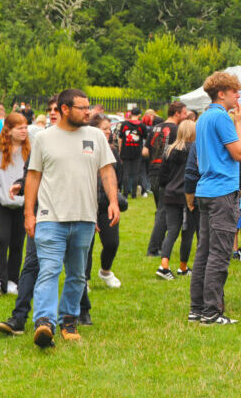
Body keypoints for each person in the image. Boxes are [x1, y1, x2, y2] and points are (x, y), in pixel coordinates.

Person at [24, 89, 119, 348]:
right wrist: (29, 213)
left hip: (85, 218)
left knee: (77, 275)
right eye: (82, 108)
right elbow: (33, 176)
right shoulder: (44, 138)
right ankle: (44, 323)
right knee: (49, 270)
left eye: (89, 107)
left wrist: (112, 200)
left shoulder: (96, 136)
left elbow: (107, 171)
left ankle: (68, 320)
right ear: (65, 109)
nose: (88, 112)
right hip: (50, 217)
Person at [0, 97, 62, 336]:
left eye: (57, 109)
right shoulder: (41, 141)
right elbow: (31, 173)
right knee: (32, 264)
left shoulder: (78, 139)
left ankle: (77, 314)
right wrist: (21, 185)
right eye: (50, 109)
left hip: (71, 214)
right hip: (44, 213)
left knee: (76, 269)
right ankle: (19, 317)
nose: (52, 113)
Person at [189, 72, 241, 325]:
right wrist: (238, 124)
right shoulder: (222, 117)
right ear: (221, 93)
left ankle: (197, 308)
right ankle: (212, 312)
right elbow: (239, 153)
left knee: (204, 252)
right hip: (222, 190)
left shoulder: (203, 117)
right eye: (235, 91)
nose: (238, 96)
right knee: (219, 253)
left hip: (205, 188)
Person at [79, 114, 124, 325]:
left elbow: (117, 178)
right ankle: (85, 279)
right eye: (104, 129)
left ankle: (105, 271)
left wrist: (115, 200)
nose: (108, 132)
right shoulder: (86, 149)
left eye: (109, 129)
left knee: (112, 242)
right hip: (87, 203)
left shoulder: (113, 151)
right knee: (86, 245)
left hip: (106, 204)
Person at [0, 113, 31, 297]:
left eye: (26, 127)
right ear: (9, 130)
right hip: (0, 203)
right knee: (2, 239)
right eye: (20, 128)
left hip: (22, 204)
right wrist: (1, 194)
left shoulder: (31, 153)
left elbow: (33, 177)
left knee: (18, 243)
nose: (24, 131)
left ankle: (12, 281)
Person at [144, 101, 188, 257]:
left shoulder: (156, 127)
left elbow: (145, 150)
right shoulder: (176, 130)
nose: (186, 116)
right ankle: (154, 248)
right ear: (177, 113)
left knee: (161, 210)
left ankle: (160, 245)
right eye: (184, 113)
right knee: (163, 211)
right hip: (166, 173)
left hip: (153, 171)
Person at [156, 120, 197, 280]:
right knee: (187, 233)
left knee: (172, 230)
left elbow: (162, 176)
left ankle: (164, 264)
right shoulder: (195, 150)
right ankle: (183, 266)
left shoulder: (169, 150)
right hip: (188, 195)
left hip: (170, 194)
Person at [118, 107, 148, 199]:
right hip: (137, 152)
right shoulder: (142, 126)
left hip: (125, 151)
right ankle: (134, 194)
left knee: (125, 173)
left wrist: (120, 150)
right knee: (135, 173)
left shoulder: (124, 124)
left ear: (131, 114)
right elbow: (146, 139)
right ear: (139, 115)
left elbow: (120, 138)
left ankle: (125, 193)